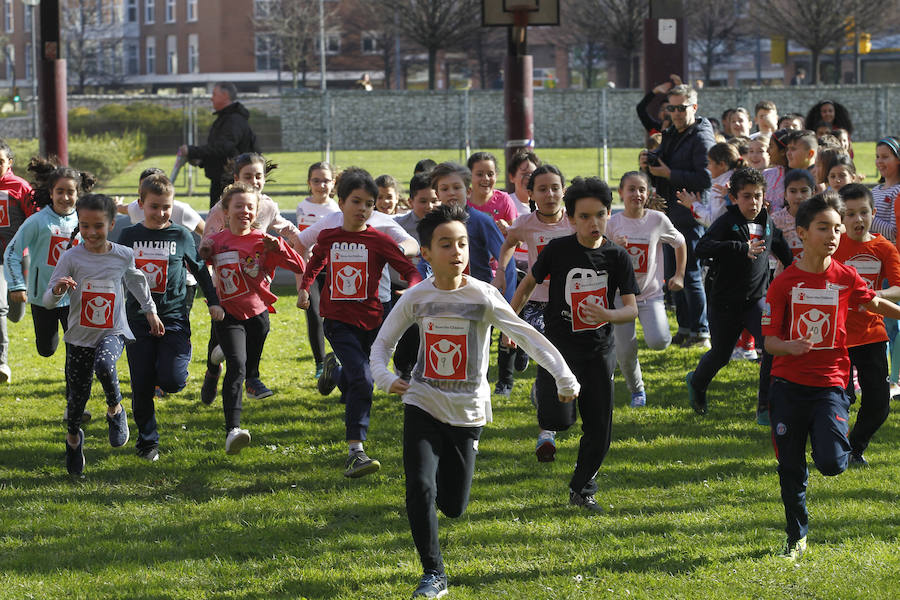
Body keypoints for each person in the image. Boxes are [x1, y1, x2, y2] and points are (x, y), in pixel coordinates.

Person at [370, 204, 579, 599]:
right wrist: (384, 378)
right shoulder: (417, 297)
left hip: (467, 412)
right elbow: (382, 344)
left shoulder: (483, 296)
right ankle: (433, 574)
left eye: (462, 244)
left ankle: (458, 475)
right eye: (445, 244)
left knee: (453, 506)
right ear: (427, 253)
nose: (456, 252)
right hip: (422, 401)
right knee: (419, 486)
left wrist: (563, 374)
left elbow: (530, 337)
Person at [761, 191, 900, 560]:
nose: (833, 235)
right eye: (824, 227)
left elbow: (875, 302)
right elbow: (770, 340)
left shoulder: (845, 275)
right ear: (802, 232)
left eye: (837, 228)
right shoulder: (784, 283)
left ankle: (826, 437)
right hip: (788, 385)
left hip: (830, 384)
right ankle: (796, 535)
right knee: (790, 467)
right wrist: (788, 346)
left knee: (831, 463)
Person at [510, 176, 639, 513]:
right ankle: (544, 394)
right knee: (560, 420)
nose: (592, 223)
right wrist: (510, 324)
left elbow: (631, 309)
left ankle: (582, 489)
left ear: (609, 214)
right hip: (559, 350)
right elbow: (526, 286)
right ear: (570, 218)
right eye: (584, 216)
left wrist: (606, 314)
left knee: (599, 427)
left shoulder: (617, 257)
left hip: (598, 351)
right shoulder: (558, 250)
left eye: (599, 214)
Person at [297, 168, 422, 478]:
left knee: (355, 376)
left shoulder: (379, 240)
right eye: (356, 201)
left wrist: (413, 287)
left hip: (373, 319)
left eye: (369, 203)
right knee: (364, 381)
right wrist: (303, 288)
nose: (362, 208)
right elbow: (315, 262)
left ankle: (334, 372)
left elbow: (409, 268)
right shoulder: (329, 236)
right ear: (340, 203)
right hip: (338, 321)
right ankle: (356, 451)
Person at [44, 193, 164, 475]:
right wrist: (58, 289)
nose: (91, 232)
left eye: (98, 226)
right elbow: (48, 298)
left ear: (111, 225)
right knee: (77, 399)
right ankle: (73, 439)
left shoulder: (122, 255)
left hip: (112, 330)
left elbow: (137, 282)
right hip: (78, 337)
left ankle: (115, 409)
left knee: (105, 365)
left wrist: (150, 311)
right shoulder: (71, 256)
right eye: (85, 226)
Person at [118, 174, 223, 462]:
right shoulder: (128, 236)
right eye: (154, 207)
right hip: (137, 320)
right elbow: (114, 271)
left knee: (172, 380)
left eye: (166, 207)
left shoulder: (180, 235)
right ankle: (147, 442)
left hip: (174, 317)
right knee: (141, 384)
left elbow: (200, 270)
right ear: (141, 205)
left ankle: (174, 368)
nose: (161, 213)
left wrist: (213, 301)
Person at [199, 182, 305, 455]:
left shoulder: (263, 240)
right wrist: (205, 254)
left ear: (257, 211)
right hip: (227, 314)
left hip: (258, 315)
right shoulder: (218, 241)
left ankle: (221, 357)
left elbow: (300, 266)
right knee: (238, 367)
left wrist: (279, 247)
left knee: (247, 364)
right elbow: (201, 268)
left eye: (250, 207)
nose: (245, 211)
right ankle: (232, 429)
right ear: (226, 211)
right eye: (238, 206)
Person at [686, 167, 792, 421]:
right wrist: (738, 247)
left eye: (757, 195)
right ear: (734, 198)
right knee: (721, 355)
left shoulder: (767, 221)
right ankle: (697, 382)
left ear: (764, 197)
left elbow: (781, 248)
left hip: (756, 300)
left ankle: (765, 405)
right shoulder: (726, 221)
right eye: (746, 196)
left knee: (771, 348)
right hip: (724, 302)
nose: (752, 202)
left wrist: (795, 268)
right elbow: (703, 247)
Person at [4, 159, 96, 420]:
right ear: (51, 193)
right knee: (46, 349)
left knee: (76, 353)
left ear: (78, 194)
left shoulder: (85, 220)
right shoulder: (38, 221)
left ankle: (74, 407)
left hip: (75, 299)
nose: (65, 197)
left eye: (71, 192)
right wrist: (17, 285)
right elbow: (12, 252)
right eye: (60, 191)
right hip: (42, 298)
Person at [492, 164, 574, 458]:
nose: (550, 194)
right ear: (531, 194)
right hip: (536, 303)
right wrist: (501, 271)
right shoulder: (526, 223)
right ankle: (546, 433)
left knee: (559, 363)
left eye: (555, 188)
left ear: (564, 191)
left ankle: (542, 399)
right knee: (550, 359)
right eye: (542, 189)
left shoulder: (575, 222)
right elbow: (508, 244)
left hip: (568, 304)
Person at [420, 162, 517, 396]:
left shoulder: (481, 221)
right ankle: (445, 392)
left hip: (476, 298)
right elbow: (424, 261)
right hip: (443, 299)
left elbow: (507, 262)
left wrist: (511, 307)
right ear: (437, 194)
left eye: (457, 187)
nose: (451, 193)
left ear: (468, 192)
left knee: (474, 353)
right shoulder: (431, 225)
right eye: (444, 189)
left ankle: (480, 394)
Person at [640, 83, 715, 348]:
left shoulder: (702, 136)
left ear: (694, 107)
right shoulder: (673, 132)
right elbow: (661, 160)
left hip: (690, 214)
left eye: (682, 108)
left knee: (691, 274)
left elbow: (707, 177)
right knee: (674, 274)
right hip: (670, 212)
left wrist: (669, 174)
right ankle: (685, 328)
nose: (676, 112)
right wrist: (649, 161)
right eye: (672, 108)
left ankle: (701, 332)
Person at [832, 183, 900, 467]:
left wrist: (876, 295)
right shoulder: (832, 245)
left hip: (872, 334)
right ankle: (833, 446)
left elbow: (897, 288)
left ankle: (855, 447)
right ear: (840, 217)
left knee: (879, 403)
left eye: (864, 212)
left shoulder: (883, 247)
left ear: (873, 213)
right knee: (840, 398)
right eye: (850, 214)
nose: (858, 220)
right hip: (836, 335)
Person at [607, 171, 685, 408]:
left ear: (648, 193)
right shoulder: (612, 224)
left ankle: (630, 341)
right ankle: (637, 391)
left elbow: (680, 241)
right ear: (621, 193)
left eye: (641, 189)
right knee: (626, 351)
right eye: (631, 189)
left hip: (650, 294)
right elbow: (597, 255)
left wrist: (679, 274)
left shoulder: (657, 220)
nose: (636, 194)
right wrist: (613, 247)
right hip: (621, 298)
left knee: (660, 341)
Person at [180, 82, 260, 209]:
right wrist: (202, 161)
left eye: (214, 94)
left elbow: (224, 147)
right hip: (222, 180)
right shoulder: (226, 119)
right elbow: (222, 151)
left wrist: (192, 151)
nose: (211, 98)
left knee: (222, 221)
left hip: (228, 183)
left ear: (225, 95)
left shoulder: (233, 120)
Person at [391, 172, 438, 380]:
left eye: (434, 200)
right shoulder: (398, 225)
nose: (429, 206)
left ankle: (418, 370)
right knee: (407, 328)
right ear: (410, 201)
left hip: (432, 287)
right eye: (423, 201)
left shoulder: (443, 224)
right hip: (400, 286)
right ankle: (402, 366)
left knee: (425, 330)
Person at [296, 161, 340, 377]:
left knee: (333, 315)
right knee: (313, 313)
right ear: (308, 183)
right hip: (311, 268)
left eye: (326, 180)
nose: (321, 185)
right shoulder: (302, 206)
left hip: (333, 268)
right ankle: (320, 362)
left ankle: (339, 356)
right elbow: (302, 241)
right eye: (316, 180)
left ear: (333, 183)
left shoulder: (337, 208)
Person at [0, 139, 34, 383]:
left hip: (16, 257)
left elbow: (36, 220)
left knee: (15, 314)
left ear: (9, 163)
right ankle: (2, 363)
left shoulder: (20, 187)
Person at [676, 142, 744, 228]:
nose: (707, 167)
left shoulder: (722, 187)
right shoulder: (733, 179)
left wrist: (694, 205)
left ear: (722, 165)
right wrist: (700, 206)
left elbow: (714, 222)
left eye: (710, 162)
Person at [771, 169, 816, 269]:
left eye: (804, 191)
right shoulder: (776, 220)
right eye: (793, 191)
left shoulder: (818, 218)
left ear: (813, 193)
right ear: (785, 195)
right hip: (785, 275)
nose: (798, 196)